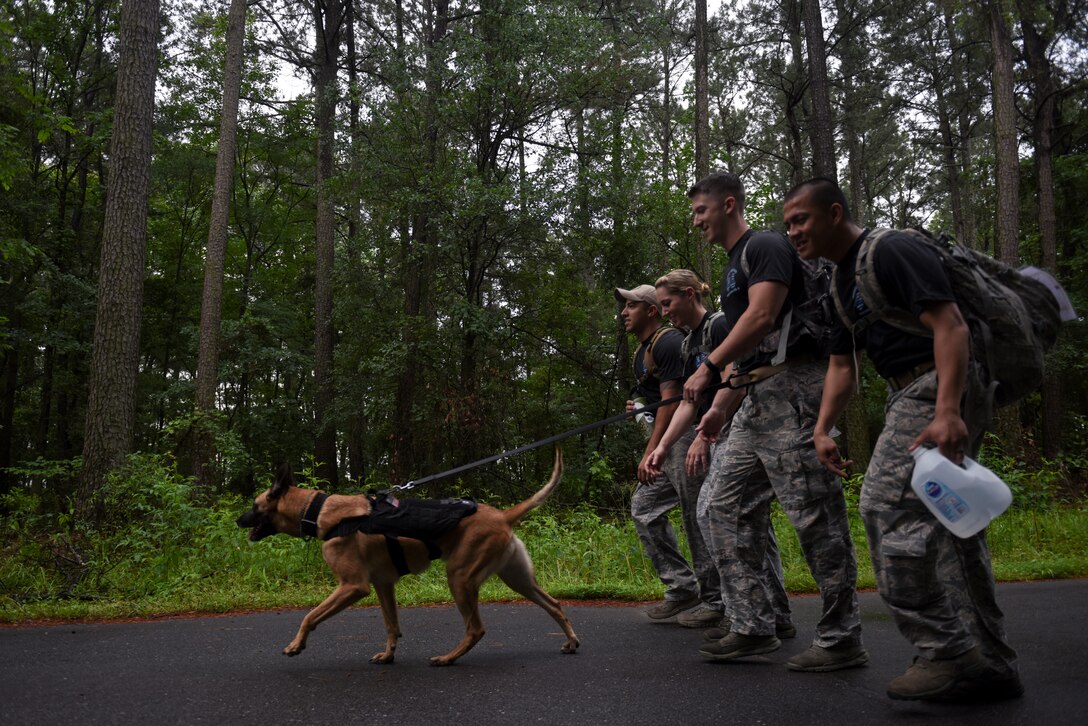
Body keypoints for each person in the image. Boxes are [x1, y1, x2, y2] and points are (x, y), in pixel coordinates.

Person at [782, 177, 1022, 701]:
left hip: (937, 386)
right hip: (907, 391)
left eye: (800, 219)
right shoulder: (840, 281)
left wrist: (947, 411)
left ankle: (946, 650)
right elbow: (843, 365)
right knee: (955, 528)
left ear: (834, 213)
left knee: (885, 509)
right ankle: (990, 663)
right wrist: (823, 428)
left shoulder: (892, 249)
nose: (793, 230)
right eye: (787, 224)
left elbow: (951, 326)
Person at [671, 171, 865, 670]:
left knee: (816, 520)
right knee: (718, 506)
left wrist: (709, 366)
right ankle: (753, 624)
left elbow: (762, 318)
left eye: (701, 212)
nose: (697, 223)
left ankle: (842, 637)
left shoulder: (765, 246)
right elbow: (754, 350)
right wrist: (717, 409)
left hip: (797, 395)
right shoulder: (739, 263)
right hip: (757, 399)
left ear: (729, 205)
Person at [646, 269, 794, 638]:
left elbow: (737, 382)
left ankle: (766, 613)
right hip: (711, 432)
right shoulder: (687, 343)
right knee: (739, 519)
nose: (665, 312)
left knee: (740, 520)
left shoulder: (721, 325)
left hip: (737, 428)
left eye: (668, 303)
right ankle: (759, 612)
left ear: (691, 294)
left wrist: (704, 436)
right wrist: (663, 446)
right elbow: (688, 402)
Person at [616, 283, 720, 624]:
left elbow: (674, 401)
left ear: (650, 310)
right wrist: (640, 408)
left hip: (686, 437)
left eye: (630, 306)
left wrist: (650, 451)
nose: (623, 313)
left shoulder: (670, 342)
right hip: (667, 442)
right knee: (644, 509)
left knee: (695, 515)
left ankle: (715, 599)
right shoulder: (642, 352)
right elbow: (656, 400)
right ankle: (681, 589)